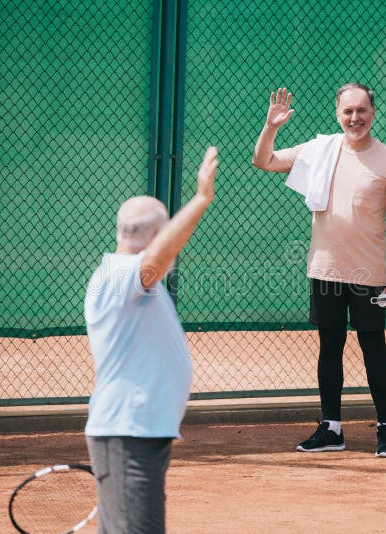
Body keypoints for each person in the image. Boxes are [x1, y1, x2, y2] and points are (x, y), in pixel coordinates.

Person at [252, 84, 386, 457]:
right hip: (324, 271)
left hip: (368, 275)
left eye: (361, 111)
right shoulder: (319, 150)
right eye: (347, 112)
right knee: (330, 348)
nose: (355, 118)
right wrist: (271, 126)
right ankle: (332, 428)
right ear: (337, 114)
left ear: (373, 112)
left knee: (374, 348)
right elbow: (264, 160)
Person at [84, 147, 218, 532]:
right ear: (160, 236)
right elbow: (154, 261)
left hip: (140, 433)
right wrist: (200, 200)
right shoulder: (120, 275)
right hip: (127, 434)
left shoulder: (131, 280)